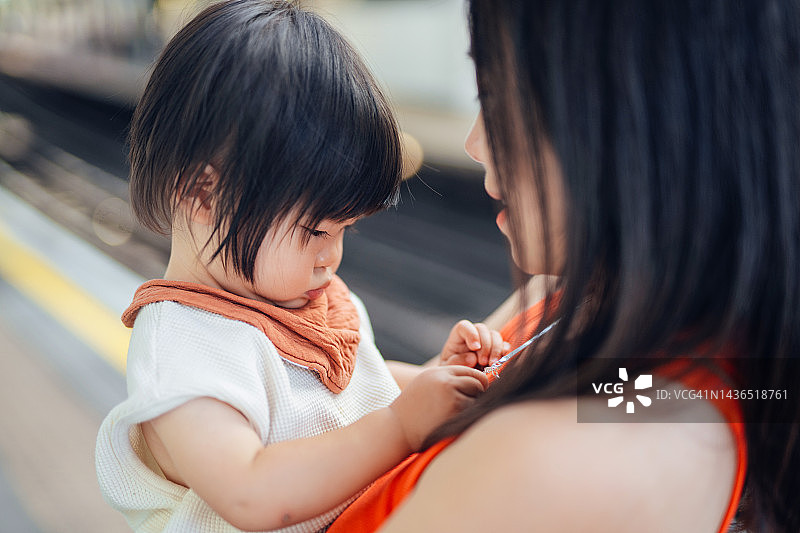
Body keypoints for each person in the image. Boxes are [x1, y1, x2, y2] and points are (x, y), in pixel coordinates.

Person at [328, 0, 800, 531]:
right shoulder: (583, 294)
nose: (476, 143)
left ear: (646, 116)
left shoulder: (579, 460)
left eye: (500, 97)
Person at [94, 1, 507, 531]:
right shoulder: (183, 343)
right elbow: (250, 491)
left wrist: (434, 380)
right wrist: (402, 426)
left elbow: (353, 386)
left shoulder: (301, 297)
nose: (332, 256)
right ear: (203, 193)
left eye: (344, 230)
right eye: (317, 231)